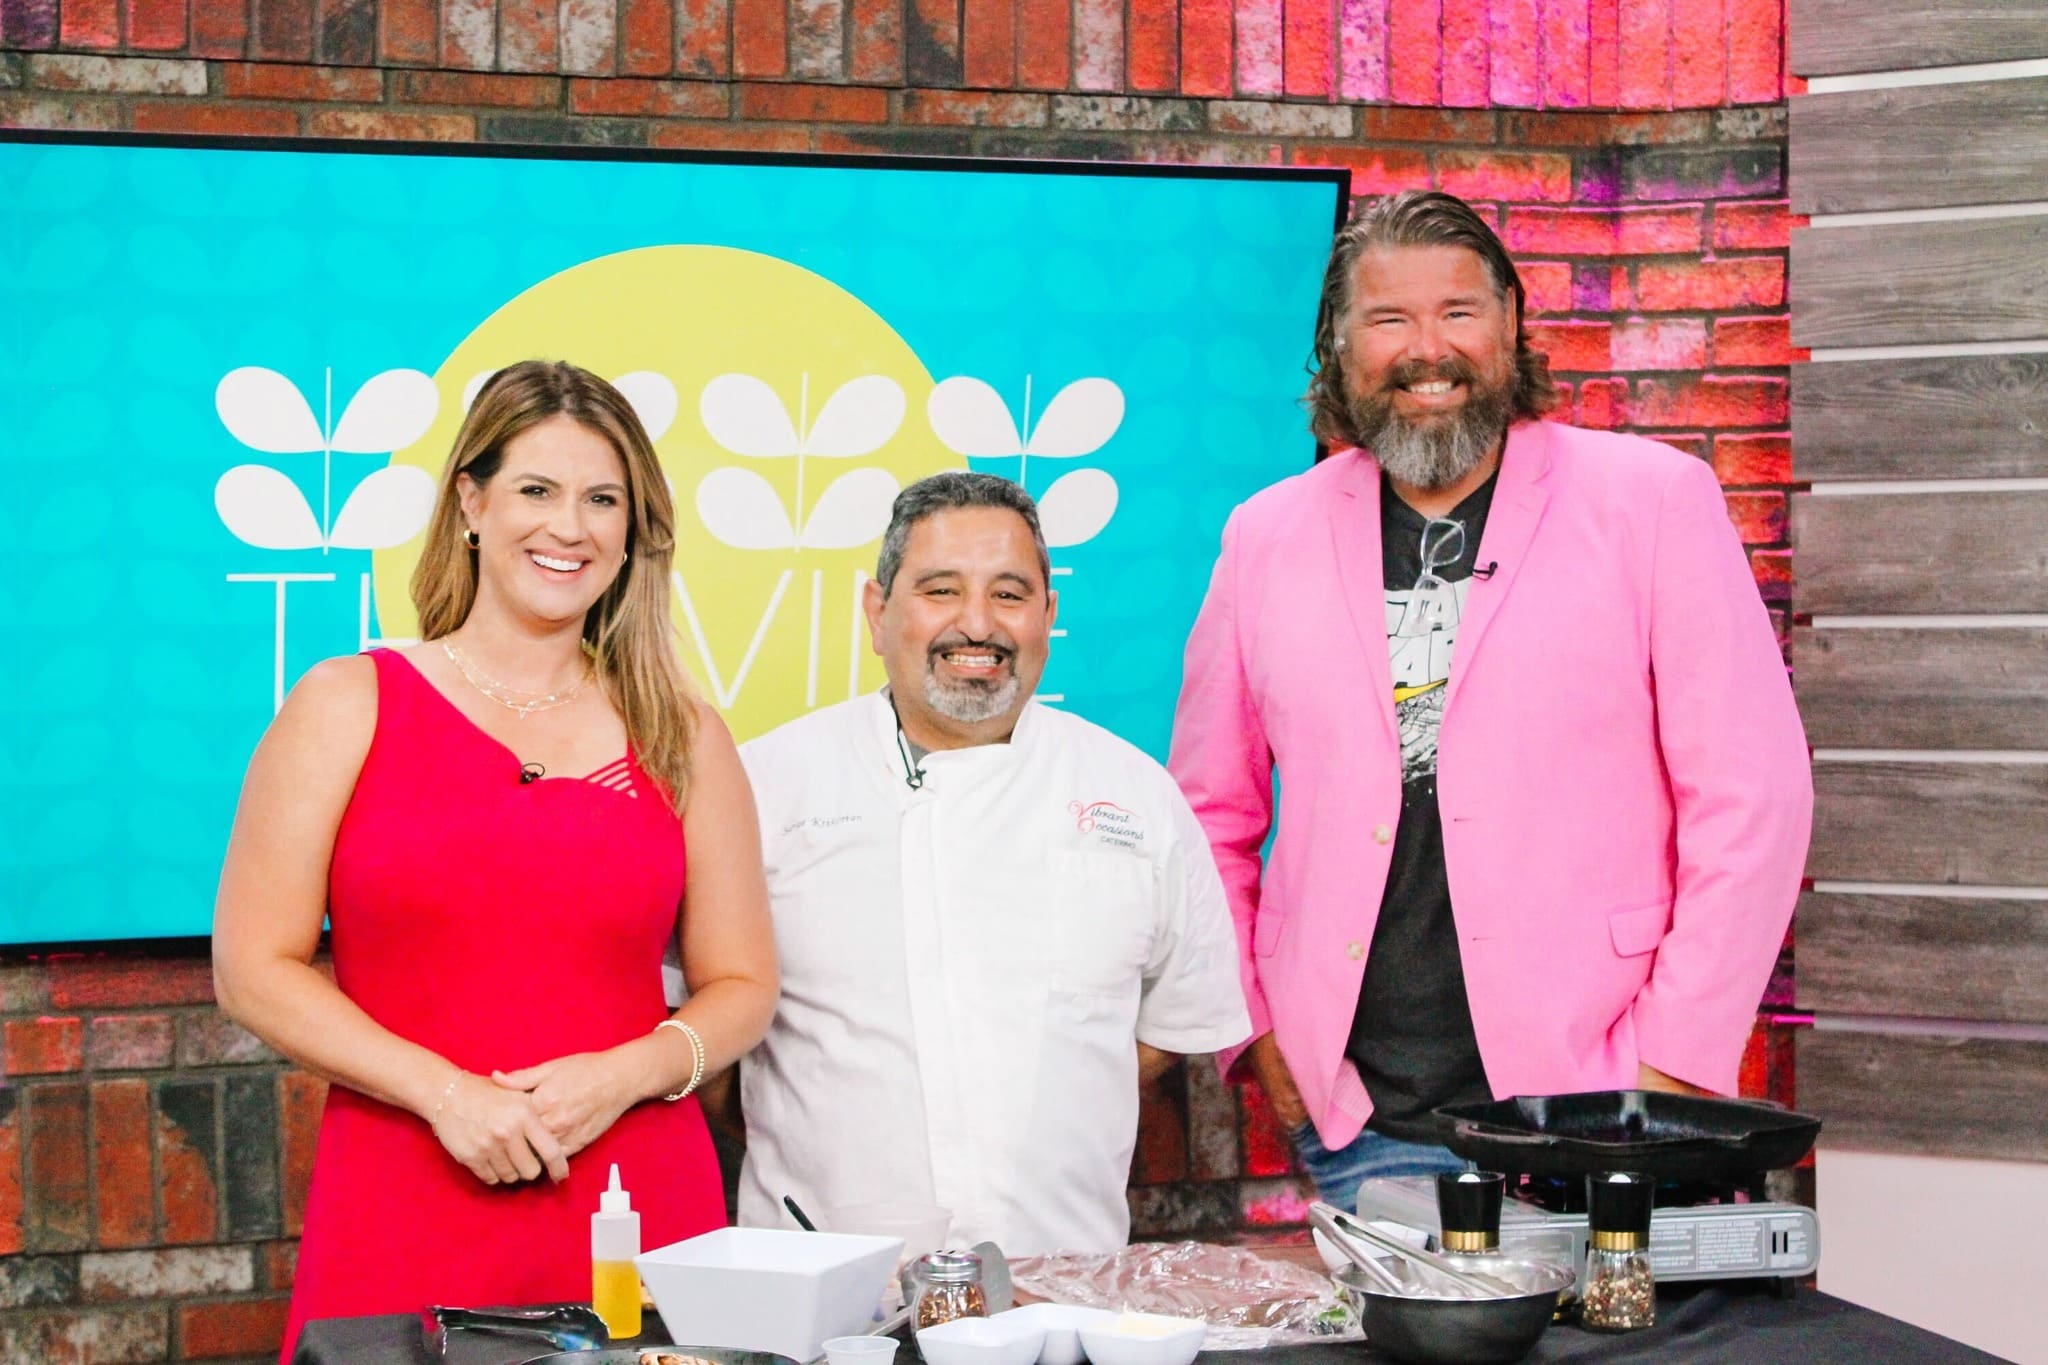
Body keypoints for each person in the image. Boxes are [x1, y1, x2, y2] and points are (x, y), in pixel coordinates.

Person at [1168, 191, 1812, 1204]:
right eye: (1388, 320)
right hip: (1364, 1122)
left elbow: (1751, 799)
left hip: (1603, 1106)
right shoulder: (1263, 537)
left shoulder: (1649, 503)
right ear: (1337, 349)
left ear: (1510, 325)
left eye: (1458, 312)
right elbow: (1206, 815)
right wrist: (1252, 1032)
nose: (1428, 350)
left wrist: (1671, 1067)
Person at [213, 360, 778, 1360]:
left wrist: (625, 1074)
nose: (570, 526)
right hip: (403, 1186)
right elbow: (251, 966)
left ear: (632, 531)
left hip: (634, 1200)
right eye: (536, 490)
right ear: (469, 502)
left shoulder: (683, 734)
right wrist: (446, 1093)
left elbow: (740, 985)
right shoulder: (348, 703)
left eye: (603, 499)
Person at [726, 471, 1249, 1256]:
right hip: (821, 1299)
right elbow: (706, 1039)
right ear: (878, 612)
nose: (977, 625)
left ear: (1049, 614)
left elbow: (1165, 1030)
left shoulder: (1135, 796)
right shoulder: (764, 785)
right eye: (940, 589)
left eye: (1009, 594)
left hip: (1067, 1287)